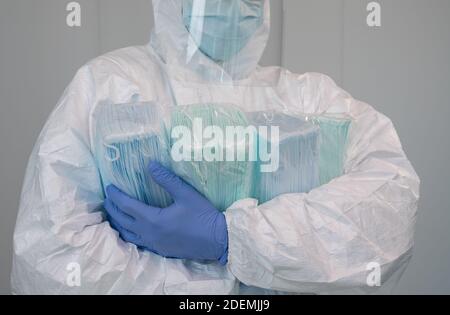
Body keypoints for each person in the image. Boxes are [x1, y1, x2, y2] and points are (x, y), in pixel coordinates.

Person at [11, 0, 420, 294]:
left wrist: (232, 238)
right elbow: (51, 254)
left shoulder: (310, 100)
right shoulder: (111, 86)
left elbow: (387, 210)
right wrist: (233, 284)